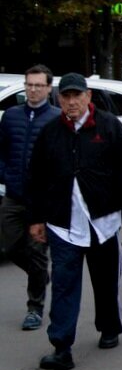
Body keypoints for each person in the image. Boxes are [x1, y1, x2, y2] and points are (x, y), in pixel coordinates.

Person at [27, 72, 122, 370]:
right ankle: (61, 346)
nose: (72, 102)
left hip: (103, 221)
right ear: (59, 99)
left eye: (77, 96)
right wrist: (35, 219)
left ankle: (109, 326)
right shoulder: (50, 132)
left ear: (88, 97)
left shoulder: (110, 127)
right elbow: (36, 177)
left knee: (105, 279)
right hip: (63, 224)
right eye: (66, 96)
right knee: (63, 284)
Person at [0, 64, 60, 330]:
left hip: (42, 202)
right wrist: (6, 174)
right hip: (13, 195)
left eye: (38, 85)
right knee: (8, 245)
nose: (33, 89)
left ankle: (34, 308)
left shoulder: (57, 119)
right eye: (29, 84)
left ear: (48, 88)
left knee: (37, 253)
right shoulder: (11, 116)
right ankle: (39, 275)